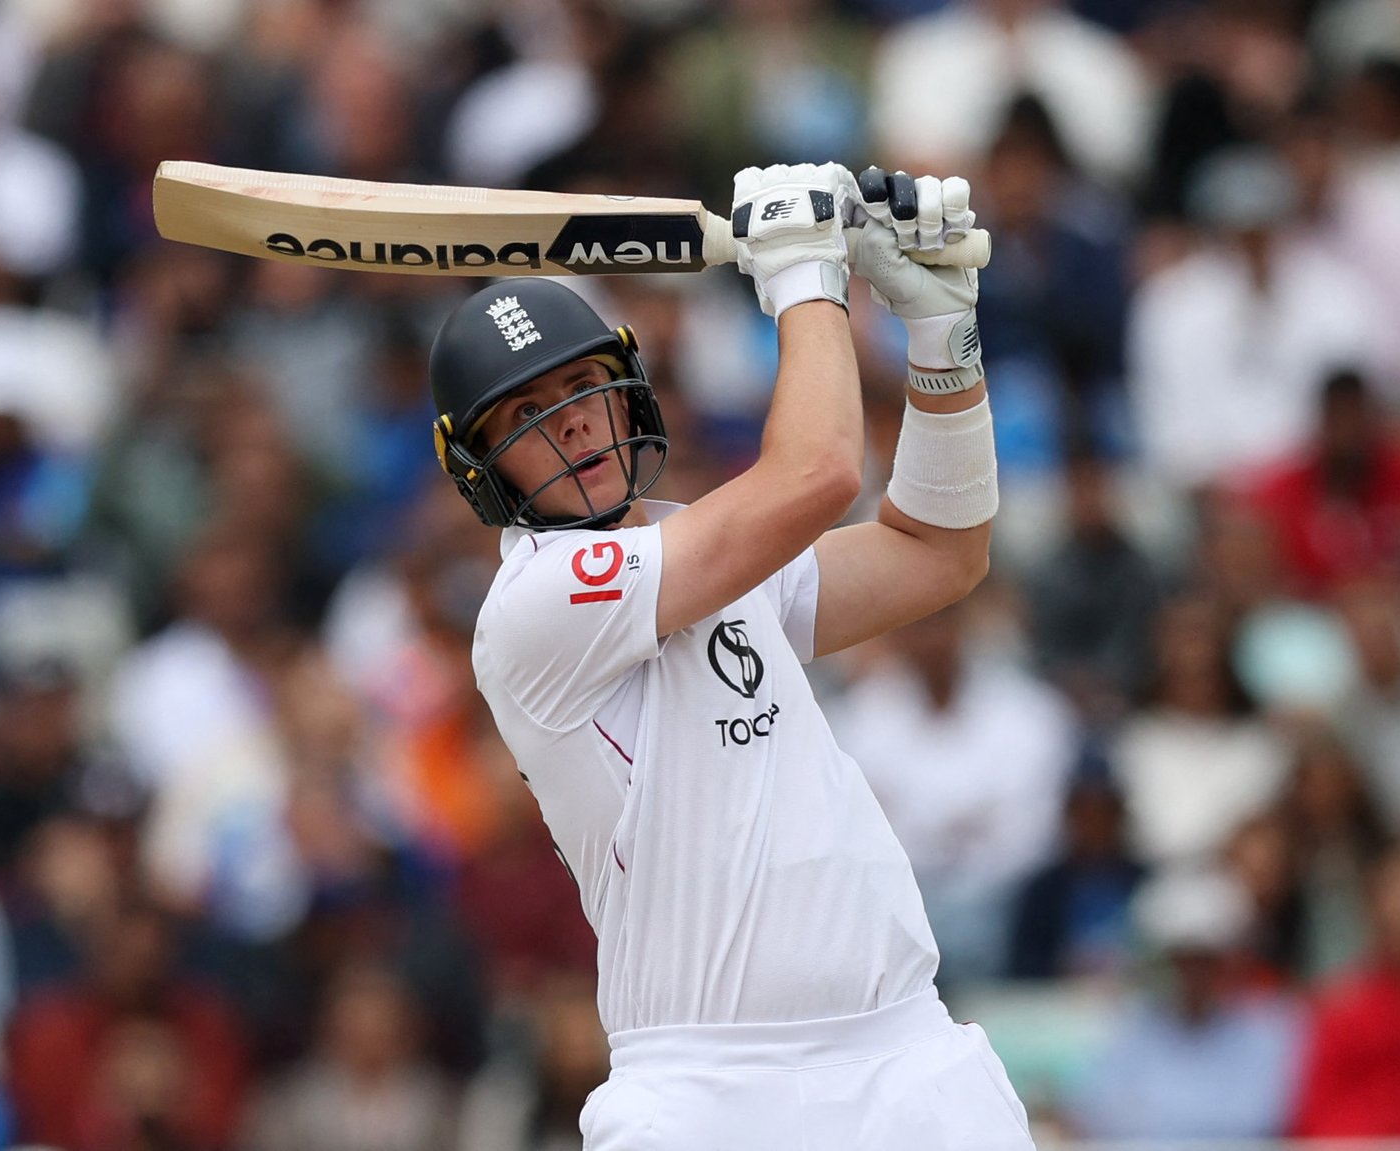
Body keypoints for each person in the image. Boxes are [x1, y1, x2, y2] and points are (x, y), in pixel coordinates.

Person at [427, 162, 1028, 1149]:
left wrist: (939, 336)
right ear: (481, 468)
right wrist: (803, 276)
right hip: (706, 1087)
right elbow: (821, 471)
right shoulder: (532, 604)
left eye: (584, 387)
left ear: (629, 394)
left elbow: (940, 554)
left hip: (911, 1053)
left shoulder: (712, 554)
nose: (572, 420)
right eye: (528, 414)